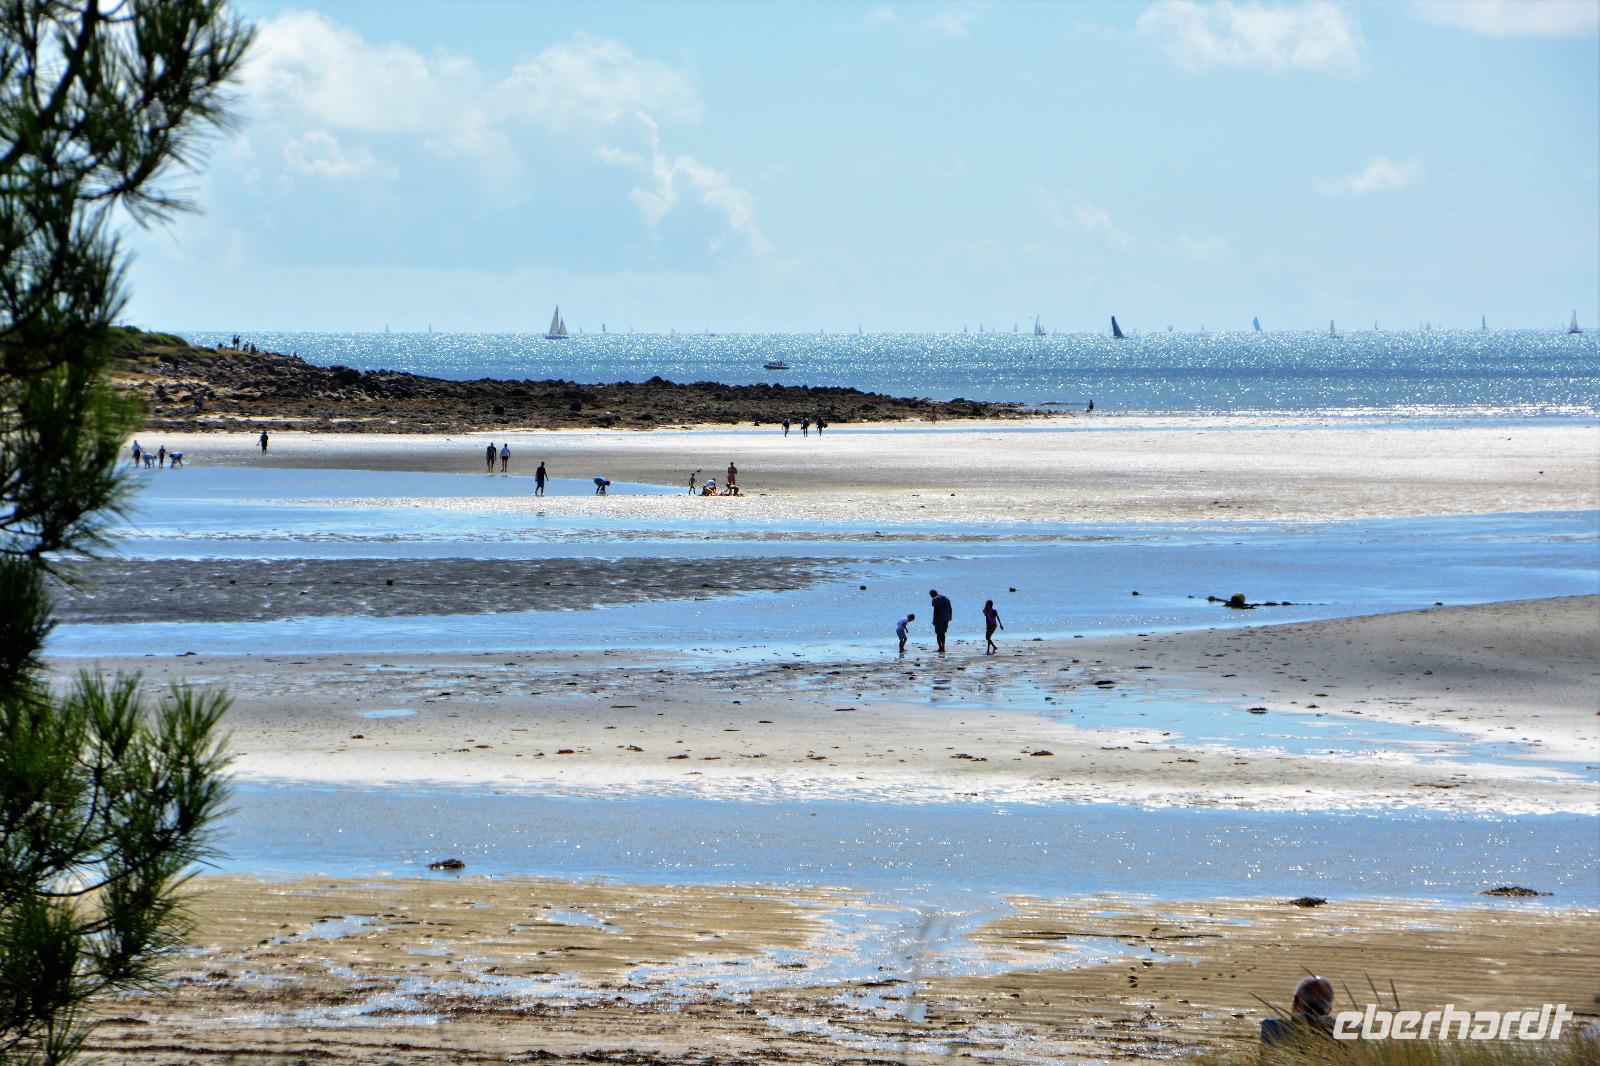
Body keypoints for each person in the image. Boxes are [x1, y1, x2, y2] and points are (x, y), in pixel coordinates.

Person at [1260, 976, 1336, 1047]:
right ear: (1329, 1009)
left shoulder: (1273, 1028)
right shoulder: (1339, 1035)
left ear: (1295, 1002)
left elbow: (1265, 1055)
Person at [929, 589, 953, 653]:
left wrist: (934, 620)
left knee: (938, 633)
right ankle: (943, 647)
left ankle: (940, 647)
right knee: (943, 633)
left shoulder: (935, 599)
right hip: (946, 618)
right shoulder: (946, 598)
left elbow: (936, 610)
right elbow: (950, 608)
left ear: (932, 595)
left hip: (939, 618)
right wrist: (950, 617)